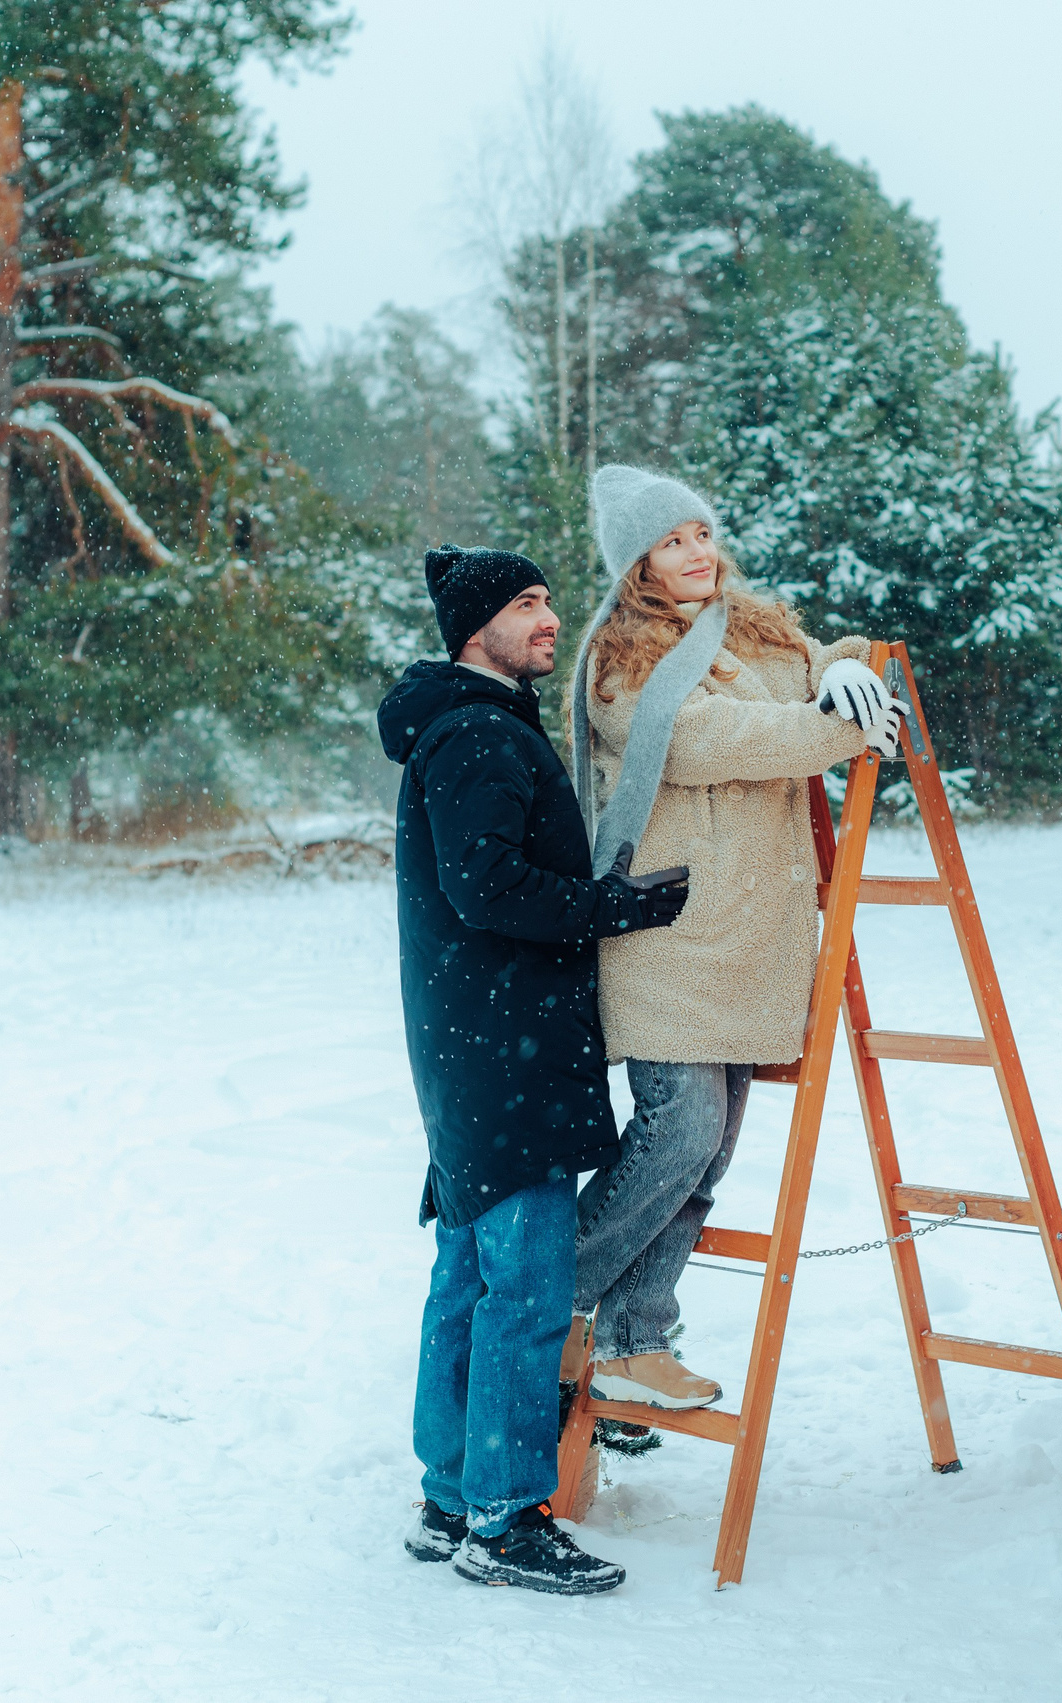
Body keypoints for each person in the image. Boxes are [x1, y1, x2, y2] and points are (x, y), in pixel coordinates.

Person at [379, 544, 688, 1596]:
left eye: (550, 598)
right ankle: (505, 1520)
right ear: (477, 630)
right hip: (502, 1049)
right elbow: (488, 889)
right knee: (521, 1291)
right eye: (526, 603)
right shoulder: (473, 734)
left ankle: (450, 1494)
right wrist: (620, 905)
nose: (550, 617)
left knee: (468, 1277)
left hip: (475, 1044)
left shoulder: (469, 724)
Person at [564, 466, 902, 1410]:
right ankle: (547, 1302)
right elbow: (721, 740)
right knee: (679, 1135)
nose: (698, 552)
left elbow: (815, 656)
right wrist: (838, 726)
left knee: (706, 1159)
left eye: (701, 532)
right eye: (673, 541)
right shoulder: (620, 662)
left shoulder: (750, 628)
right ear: (637, 563)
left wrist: (839, 664)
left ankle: (636, 1338)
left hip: (751, 941)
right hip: (669, 939)